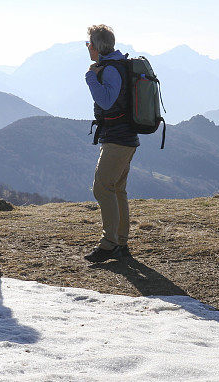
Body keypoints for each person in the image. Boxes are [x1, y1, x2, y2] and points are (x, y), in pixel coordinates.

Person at [83, 24, 139, 263]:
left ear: (96, 47)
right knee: (117, 189)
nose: (87, 48)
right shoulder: (118, 64)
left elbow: (106, 102)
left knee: (102, 187)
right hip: (125, 137)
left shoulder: (111, 69)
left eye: (88, 44)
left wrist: (90, 79)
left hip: (118, 138)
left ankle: (109, 244)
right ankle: (121, 242)